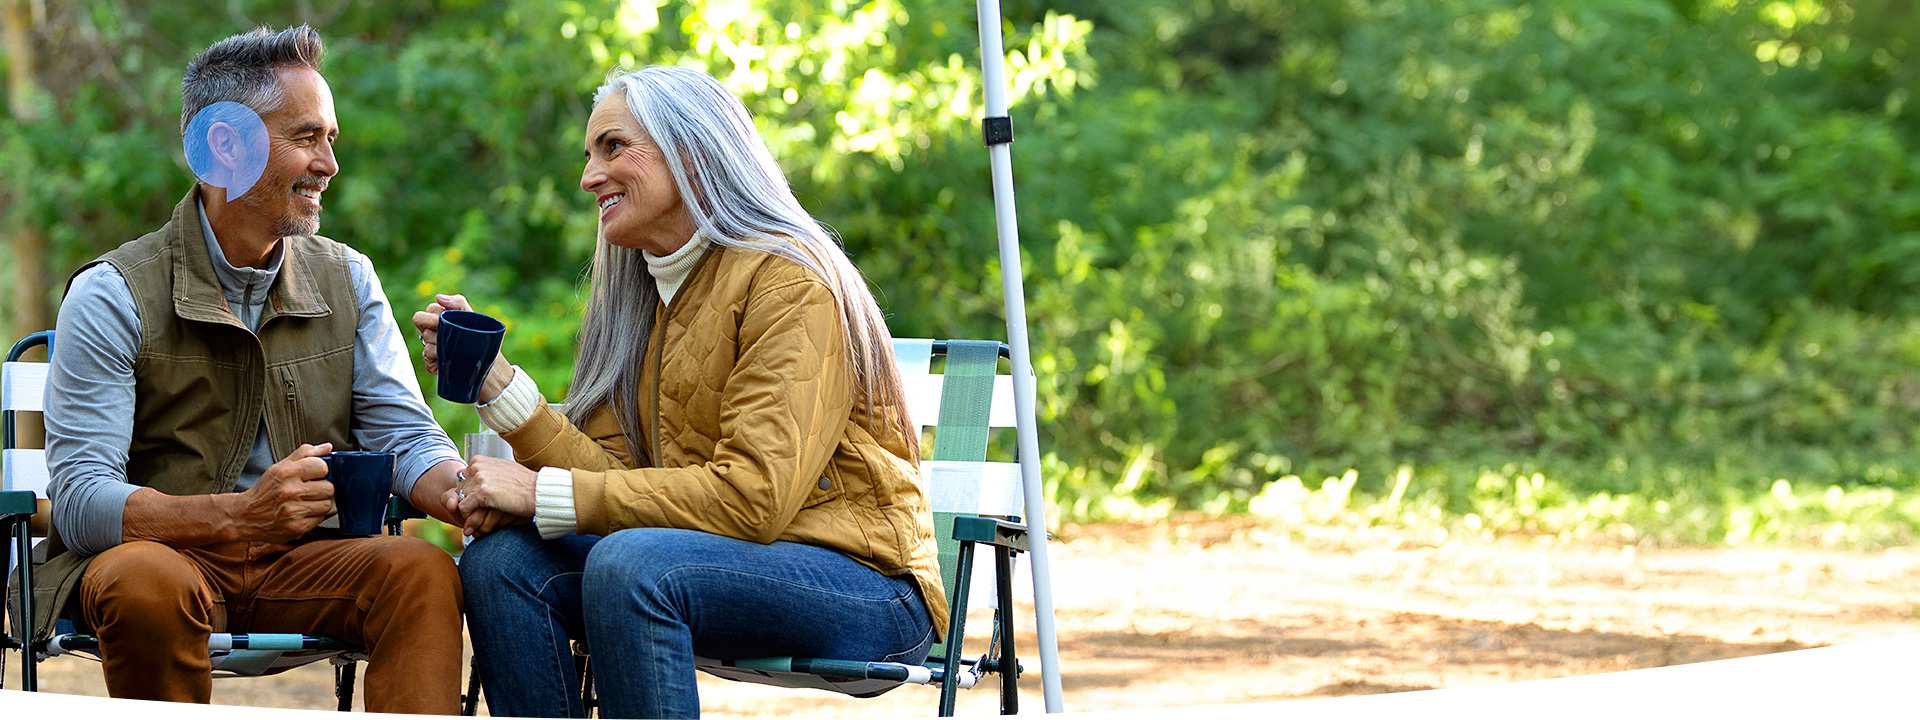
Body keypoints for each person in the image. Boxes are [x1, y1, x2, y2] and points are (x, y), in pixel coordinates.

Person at [415, 65, 947, 718]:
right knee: (502, 563)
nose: (588, 177)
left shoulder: (787, 285)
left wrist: (542, 493)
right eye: (589, 155)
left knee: (629, 565)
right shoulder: (640, 303)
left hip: (864, 583)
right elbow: (616, 482)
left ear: (693, 154)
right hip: (712, 558)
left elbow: (753, 498)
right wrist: (498, 383)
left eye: (614, 147)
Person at [17, 25, 469, 712]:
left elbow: (406, 435)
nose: (329, 164)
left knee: (422, 572)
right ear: (226, 146)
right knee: (143, 581)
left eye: (332, 139)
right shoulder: (114, 291)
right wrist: (237, 518)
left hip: (305, 568)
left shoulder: (349, 278)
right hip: (167, 564)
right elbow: (80, 501)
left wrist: (466, 494)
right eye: (307, 137)